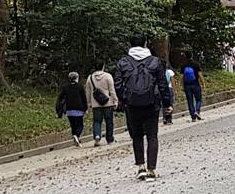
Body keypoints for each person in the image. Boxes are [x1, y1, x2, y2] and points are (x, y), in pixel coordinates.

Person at [116, 35, 172, 181]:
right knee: (152, 136)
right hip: (151, 104)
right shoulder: (155, 61)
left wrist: (124, 100)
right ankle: (152, 169)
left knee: (136, 136)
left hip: (132, 105)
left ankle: (141, 167)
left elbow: (118, 85)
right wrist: (167, 104)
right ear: (145, 44)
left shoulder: (123, 62)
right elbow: (162, 85)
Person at [85, 64, 119, 146]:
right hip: (108, 103)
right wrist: (115, 100)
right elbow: (112, 90)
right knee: (109, 121)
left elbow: (88, 91)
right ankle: (109, 139)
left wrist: (89, 102)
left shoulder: (90, 78)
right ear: (103, 66)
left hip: (96, 104)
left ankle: (97, 136)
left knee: (97, 121)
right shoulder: (108, 76)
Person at [57, 72, 89, 145]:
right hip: (79, 109)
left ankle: (74, 135)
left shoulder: (65, 87)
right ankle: (77, 135)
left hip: (69, 109)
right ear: (77, 78)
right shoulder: (80, 87)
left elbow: (60, 97)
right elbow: (84, 98)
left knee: (73, 124)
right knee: (80, 124)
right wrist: (86, 108)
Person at [182, 53, 205, 121]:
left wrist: (182, 86)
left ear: (185, 57)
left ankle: (193, 117)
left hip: (187, 85)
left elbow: (182, 77)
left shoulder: (183, 65)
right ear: (192, 56)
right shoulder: (196, 64)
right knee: (198, 99)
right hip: (196, 84)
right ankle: (197, 111)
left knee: (190, 101)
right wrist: (203, 83)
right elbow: (199, 74)